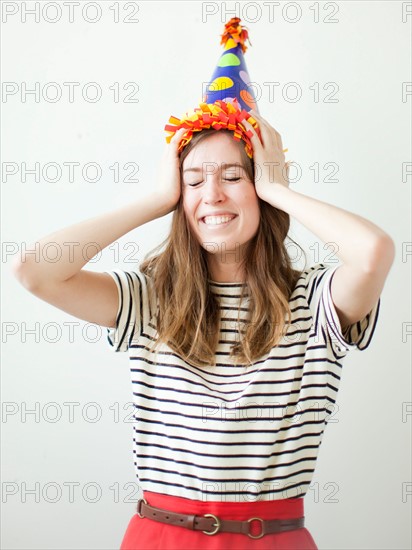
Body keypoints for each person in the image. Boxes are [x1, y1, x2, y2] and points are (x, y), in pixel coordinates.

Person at [12, 18, 395, 550]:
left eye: (234, 177)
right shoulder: (150, 298)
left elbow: (375, 251)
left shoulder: (315, 302)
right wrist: (155, 198)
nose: (211, 194)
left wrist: (279, 187)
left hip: (272, 539)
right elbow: (34, 269)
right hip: (160, 537)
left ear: (260, 187)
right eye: (194, 181)